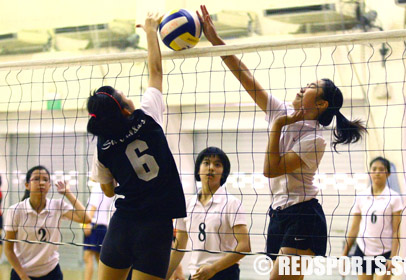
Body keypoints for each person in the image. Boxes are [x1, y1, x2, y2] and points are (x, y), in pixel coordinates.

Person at [196, 5, 367, 279]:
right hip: (277, 216)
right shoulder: (282, 110)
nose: (303, 87)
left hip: (303, 216)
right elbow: (245, 76)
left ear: (321, 103)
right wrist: (216, 43)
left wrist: (277, 126)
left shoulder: (314, 140)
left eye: (311, 86)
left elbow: (270, 169)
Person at [87, 12, 186, 280]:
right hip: (156, 227)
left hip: (123, 224)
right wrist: (151, 31)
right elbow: (156, 71)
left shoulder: (103, 146)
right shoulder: (147, 117)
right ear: (124, 105)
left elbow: (108, 192)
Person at [166, 147, 251, 280]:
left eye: (217, 164)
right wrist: (163, 276)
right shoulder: (187, 205)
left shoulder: (232, 203)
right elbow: (179, 248)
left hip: (224, 273)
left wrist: (213, 268)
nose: (211, 167)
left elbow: (244, 246)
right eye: (206, 163)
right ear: (198, 170)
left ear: (223, 173)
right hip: (196, 275)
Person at [4, 165, 91, 280]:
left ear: (49, 186)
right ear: (27, 185)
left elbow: (86, 219)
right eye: (36, 179)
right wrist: (23, 276)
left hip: (51, 272)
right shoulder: (15, 210)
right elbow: (8, 249)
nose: (41, 183)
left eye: (45, 180)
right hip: (22, 272)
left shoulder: (57, 206)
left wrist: (68, 193)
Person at [342, 157, 403, 280]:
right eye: (374, 169)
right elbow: (354, 228)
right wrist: (344, 254)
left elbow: (396, 231)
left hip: (384, 252)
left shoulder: (394, 198)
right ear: (370, 172)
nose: (377, 172)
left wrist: (393, 257)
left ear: (388, 173)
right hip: (363, 250)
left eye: (381, 169)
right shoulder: (361, 196)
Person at [83, 180, 114, 280]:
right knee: (98, 258)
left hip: (94, 225)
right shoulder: (108, 188)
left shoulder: (97, 187)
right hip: (102, 227)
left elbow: (94, 206)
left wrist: (87, 223)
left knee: (88, 257)